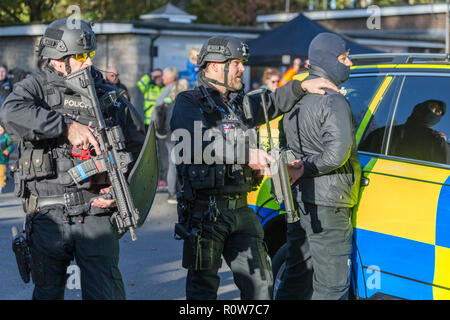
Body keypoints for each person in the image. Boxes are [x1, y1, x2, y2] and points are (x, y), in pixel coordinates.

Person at [171, 35, 339, 300]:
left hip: (241, 210)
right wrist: (246, 154)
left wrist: (303, 85)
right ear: (214, 65)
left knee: (261, 287)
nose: (242, 69)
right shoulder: (188, 103)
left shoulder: (239, 103)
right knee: (203, 290)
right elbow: (197, 144)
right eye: (235, 63)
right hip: (206, 213)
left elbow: (273, 102)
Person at [0, 18, 145, 300]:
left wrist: (122, 190)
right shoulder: (35, 88)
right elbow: (11, 113)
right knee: (47, 294)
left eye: (90, 55)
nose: (89, 63)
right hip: (48, 215)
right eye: (80, 56)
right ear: (57, 59)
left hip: (97, 216)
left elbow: (140, 150)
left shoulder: (109, 95)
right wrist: (66, 127)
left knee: (107, 294)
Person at [278, 33, 362, 300]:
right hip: (329, 203)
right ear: (326, 60)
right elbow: (337, 154)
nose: (349, 63)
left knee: (297, 276)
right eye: (343, 57)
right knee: (332, 286)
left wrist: (300, 167)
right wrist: (307, 167)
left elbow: (285, 144)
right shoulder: (334, 99)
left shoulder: (296, 97)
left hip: (299, 199)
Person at [153, 78, 190, 203]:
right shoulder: (182, 104)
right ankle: (175, 193)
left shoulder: (169, 103)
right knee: (178, 164)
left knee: (172, 164)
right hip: (179, 136)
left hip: (169, 136)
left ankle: (172, 192)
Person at [153, 67, 178, 191]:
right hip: (167, 129)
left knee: (169, 159)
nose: (162, 78)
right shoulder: (169, 88)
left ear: (171, 77)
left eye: (164, 76)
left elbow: (160, 109)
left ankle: (171, 189)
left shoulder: (171, 89)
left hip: (167, 130)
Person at [0, 124, 14, 193]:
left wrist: (8, 149)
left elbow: (12, 145)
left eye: (1, 127)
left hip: (2, 160)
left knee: (1, 174)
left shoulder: (6, 137)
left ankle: (1, 187)